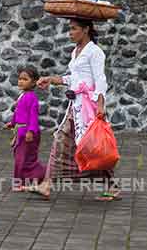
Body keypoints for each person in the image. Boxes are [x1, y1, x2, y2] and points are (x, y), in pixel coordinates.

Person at [27, 18, 120, 202]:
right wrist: (52, 79)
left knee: (93, 146)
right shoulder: (76, 51)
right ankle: (47, 184)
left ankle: (112, 185)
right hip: (75, 106)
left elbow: (100, 80)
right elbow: (74, 79)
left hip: (89, 107)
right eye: (69, 29)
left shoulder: (95, 52)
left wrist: (100, 105)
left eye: (73, 29)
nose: (70, 32)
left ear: (86, 30)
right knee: (65, 141)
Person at [4, 66, 46, 192]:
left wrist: (30, 131)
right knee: (23, 159)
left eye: (25, 79)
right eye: (20, 79)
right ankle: (36, 178)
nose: (21, 81)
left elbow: (33, 116)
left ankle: (24, 181)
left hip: (28, 133)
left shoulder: (31, 97)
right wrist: (12, 123)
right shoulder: (23, 95)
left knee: (23, 159)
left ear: (33, 82)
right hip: (21, 132)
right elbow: (18, 113)